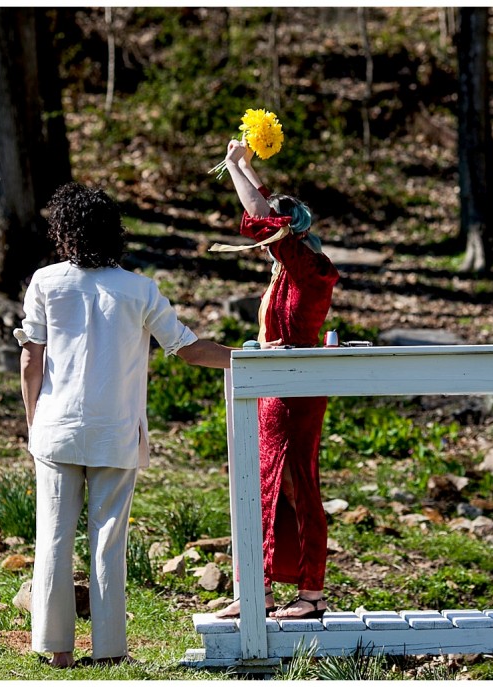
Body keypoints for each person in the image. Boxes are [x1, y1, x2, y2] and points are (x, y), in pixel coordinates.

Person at [15, 182, 235, 668]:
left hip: (55, 428)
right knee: (108, 541)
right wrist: (246, 358)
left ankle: (58, 651)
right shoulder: (140, 290)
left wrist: (34, 418)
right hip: (116, 432)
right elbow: (189, 349)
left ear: (64, 233)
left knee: (51, 538)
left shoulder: (45, 282)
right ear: (114, 233)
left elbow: (32, 358)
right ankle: (111, 650)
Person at [213, 140, 340, 620]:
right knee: (267, 483)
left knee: (293, 482)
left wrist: (233, 166)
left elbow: (265, 215)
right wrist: (243, 165)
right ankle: (260, 586)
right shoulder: (293, 267)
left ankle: (307, 593)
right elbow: (268, 209)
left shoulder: (308, 268)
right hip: (277, 387)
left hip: (293, 389)